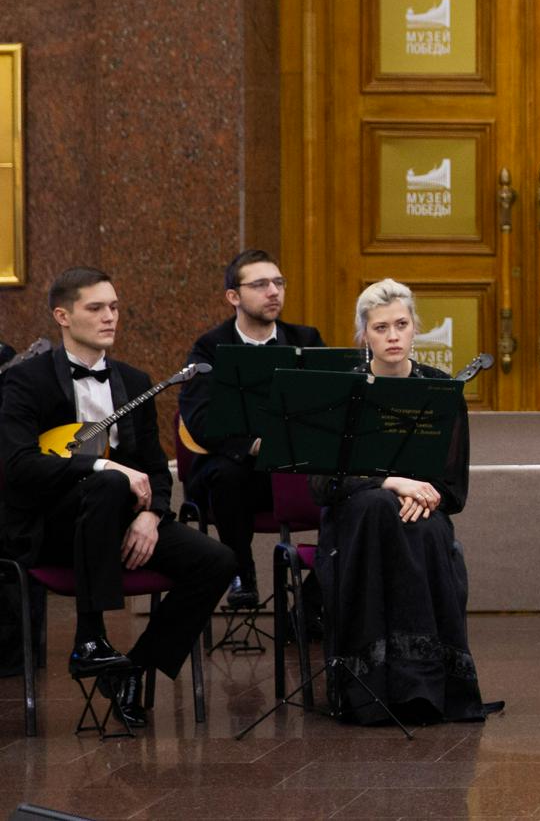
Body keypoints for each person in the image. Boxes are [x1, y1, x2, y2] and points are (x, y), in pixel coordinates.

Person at [0, 267, 235, 728]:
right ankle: (91, 635)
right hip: (51, 528)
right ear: (62, 316)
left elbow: (154, 469)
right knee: (107, 481)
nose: (110, 317)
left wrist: (151, 516)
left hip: (122, 523)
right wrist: (102, 464)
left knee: (217, 562)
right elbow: (17, 467)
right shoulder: (26, 382)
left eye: (114, 307)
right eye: (95, 308)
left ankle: (133, 670)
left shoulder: (134, 380)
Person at [311, 278, 498, 725]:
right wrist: (392, 482)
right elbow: (321, 484)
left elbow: (453, 490)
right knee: (378, 507)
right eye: (380, 328)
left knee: (428, 526)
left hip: (423, 514)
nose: (392, 336)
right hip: (355, 515)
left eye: (401, 324)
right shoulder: (343, 387)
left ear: (416, 329)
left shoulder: (439, 390)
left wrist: (422, 496)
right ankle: (370, 691)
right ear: (364, 335)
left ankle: (426, 689)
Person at [177, 249, 326, 608]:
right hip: (235, 472)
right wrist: (252, 445)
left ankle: (312, 603)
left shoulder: (305, 339)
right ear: (234, 296)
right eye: (260, 285)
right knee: (230, 474)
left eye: (278, 282)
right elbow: (198, 421)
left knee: (351, 488)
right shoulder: (210, 348)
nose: (273, 291)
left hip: (293, 468)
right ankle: (240, 571)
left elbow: (327, 407)